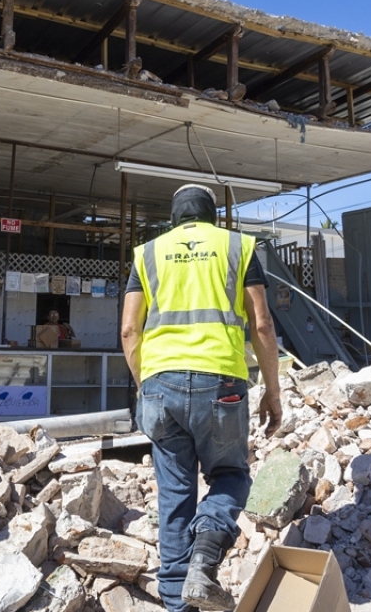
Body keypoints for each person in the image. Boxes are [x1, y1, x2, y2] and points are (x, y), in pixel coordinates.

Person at [121, 183, 282, 612]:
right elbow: (262, 325)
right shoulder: (237, 247)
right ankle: (205, 560)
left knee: (174, 495)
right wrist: (272, 391)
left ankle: (178, 604)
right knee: (230, 475)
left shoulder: (148, 253)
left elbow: (128, 330)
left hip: (159, 385)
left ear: (175, 217)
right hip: (222, 384)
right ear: (212, 216)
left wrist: (145, 387)